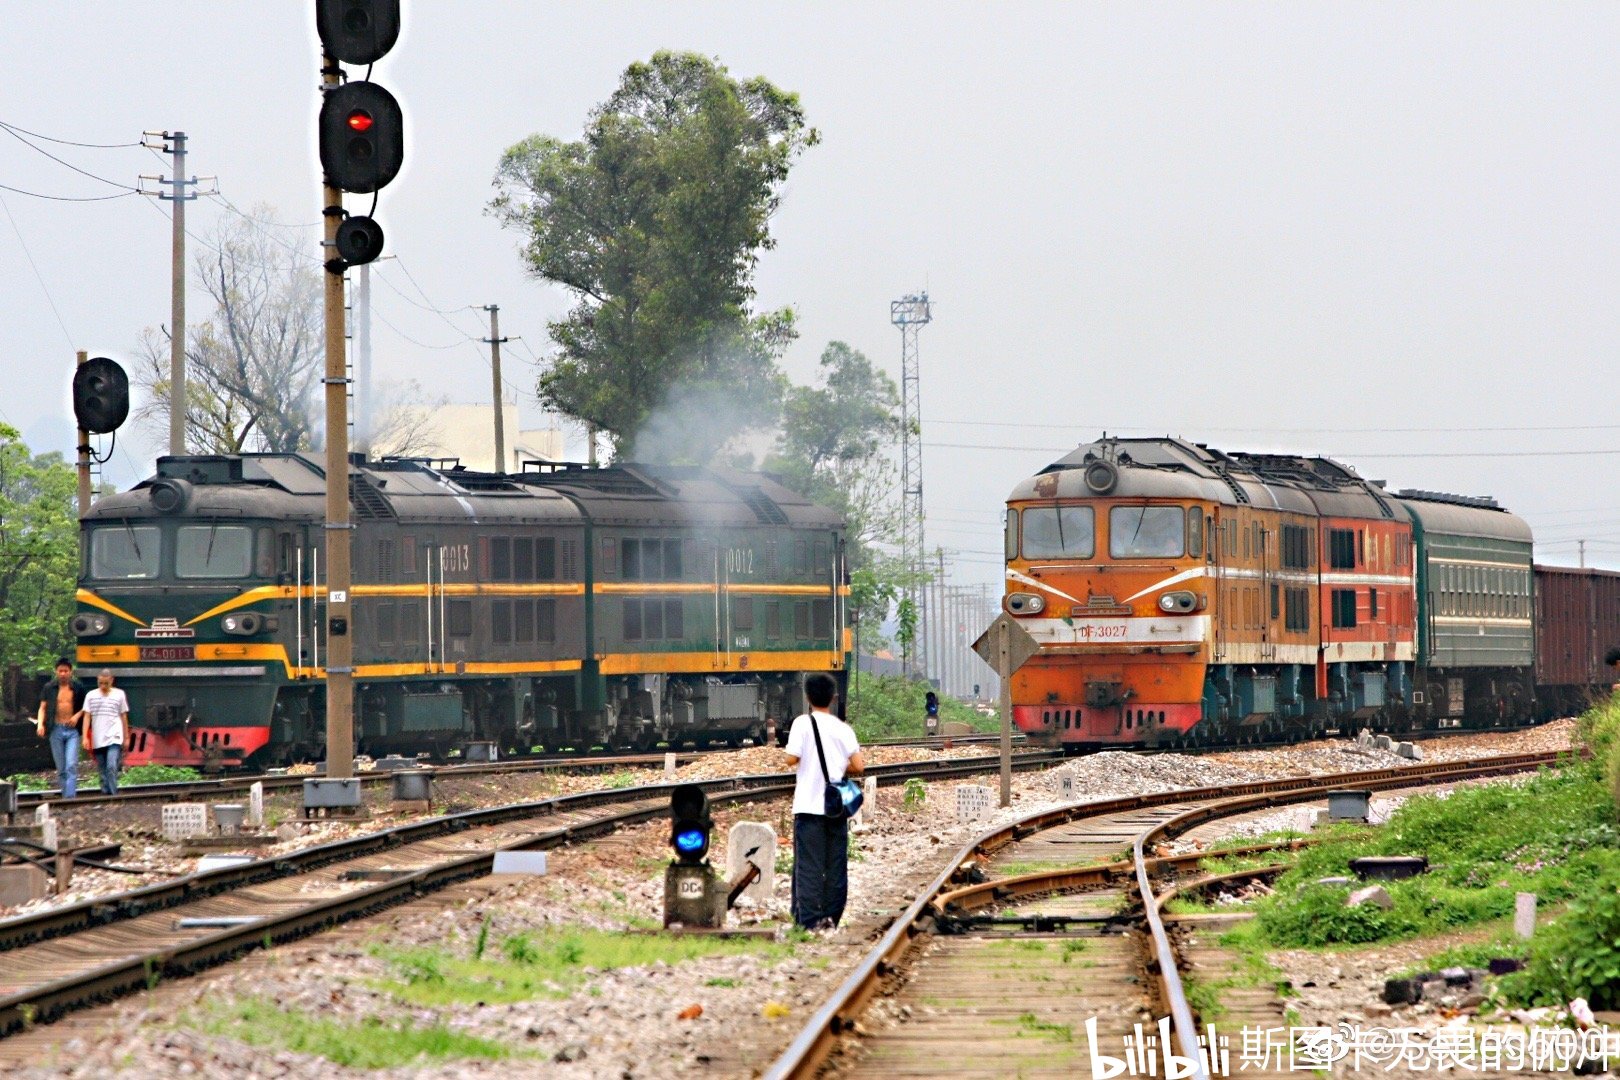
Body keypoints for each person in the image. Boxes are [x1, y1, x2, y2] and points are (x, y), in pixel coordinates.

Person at [783, 673, 864, 931]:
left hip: (808, 807)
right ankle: (831, 918)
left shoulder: (801, 724)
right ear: (833, 697)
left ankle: (808, 922)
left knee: (808, 867)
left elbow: (790, 759)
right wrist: (837, 768)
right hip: (836, 809)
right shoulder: (843, 729)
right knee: (836, 865)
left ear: (807, 697)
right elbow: (859, 766)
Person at [35, 659, 86, 798]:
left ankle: (70, 797)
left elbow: (85, 707)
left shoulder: (78, 687)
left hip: (72, 731)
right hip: (56, 729)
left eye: (66, 671)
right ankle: (65, 796)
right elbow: (42, 708)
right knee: (61, 767)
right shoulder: (49, 687)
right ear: (56, 672)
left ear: (71, 672)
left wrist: (76, 716)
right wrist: (40, 724)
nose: (63, 674)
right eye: (60, 671)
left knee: (71, 764)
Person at [82, 669, 131, 795]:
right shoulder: (91, 696)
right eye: (100, 683)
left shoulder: (119, 694)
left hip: (114, 735)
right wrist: (85, 737)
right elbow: (87, 716)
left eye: (106, 683)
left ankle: (113, 793)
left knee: (111, 765)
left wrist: (126, 737)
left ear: (111, 680)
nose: (103, 686)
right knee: (102, 768)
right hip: (98, 737)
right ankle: (105, 793)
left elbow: (123, 716)